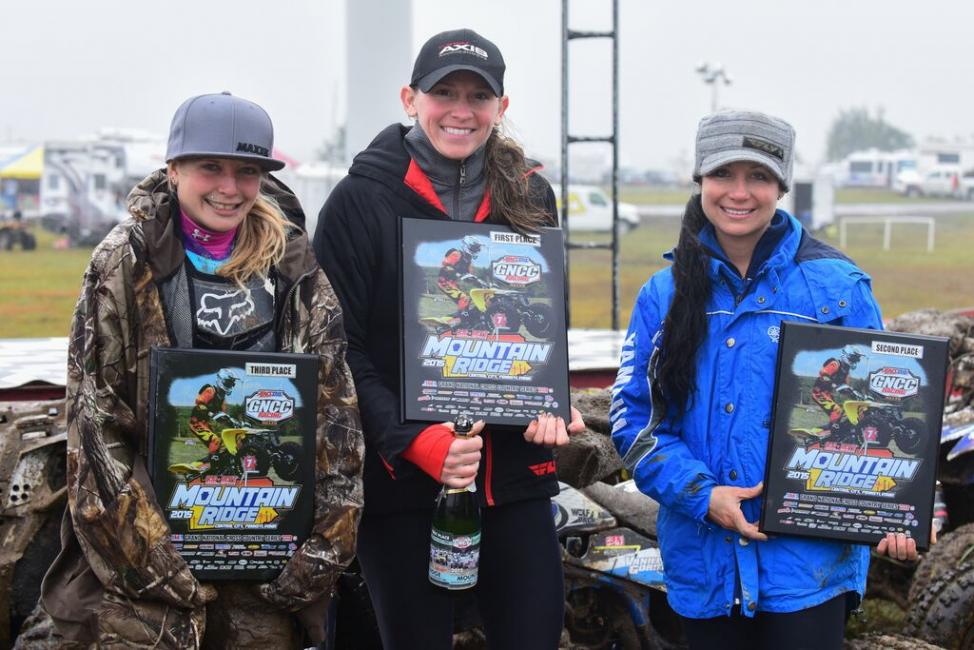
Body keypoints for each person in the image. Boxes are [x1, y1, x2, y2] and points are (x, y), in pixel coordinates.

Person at [36, 92, 363, 649]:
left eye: (247, 171)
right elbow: (94, 427)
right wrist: (154, 560)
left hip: (264, 568)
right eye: (210, 167)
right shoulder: (122, 264)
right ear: (174, 168)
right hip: (147, 577)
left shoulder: (295, 271)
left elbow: (336, 420)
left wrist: (319, 553)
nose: (229, 188)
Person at [610, 110, 921, 650]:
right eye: (723, 174)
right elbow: (635, 423)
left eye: (758, 176)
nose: (739, 192)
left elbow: (883, 411)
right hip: (703, 563)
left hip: (808, 573)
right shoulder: (663, 295)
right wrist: (703, 496)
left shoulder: (840, 288)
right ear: (700, 181)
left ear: (781, 185)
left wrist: (894, 507)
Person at [314, 28, 583, 650]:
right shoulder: (358, 202)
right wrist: (414, 442)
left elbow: (543, 324)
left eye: (478, 96)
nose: (461, 111)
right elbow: (339, 351)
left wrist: (551, 400)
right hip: (404, 485)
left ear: (501, 108)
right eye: (444, 93)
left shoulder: (532, 194)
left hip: (515, 478)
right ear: (411, 98)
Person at [811, 347, 865, 437]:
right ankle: (829, 434)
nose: (855, 361)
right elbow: (823, 374)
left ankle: (828, 431)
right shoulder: (835, 364)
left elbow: (846, 388)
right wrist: (833, 384)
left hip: (828, 394)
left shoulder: (846, 372)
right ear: (847, 355)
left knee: (842, 412)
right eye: (853, 358)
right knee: (837, 411)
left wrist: (855, 394)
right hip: (819, 393)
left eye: (856, 359)